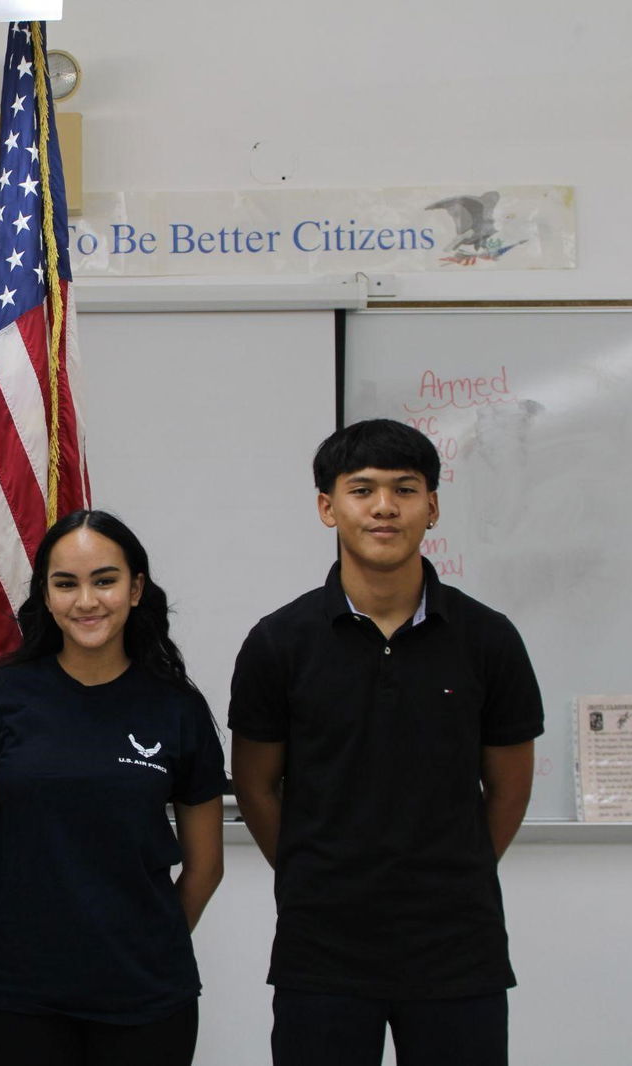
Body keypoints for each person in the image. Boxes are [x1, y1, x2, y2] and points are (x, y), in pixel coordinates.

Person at [229, 418, 543, 1066]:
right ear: (327, 506)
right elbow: (256, 785)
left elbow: (510, 785)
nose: (383, 507)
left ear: (432, 505)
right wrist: (312, 875)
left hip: (459, 947)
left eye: (405, 489)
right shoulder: (279, 643)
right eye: (362, 488)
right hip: (322, 950)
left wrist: (457, 873)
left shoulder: (488, 639)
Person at [0, 509, 226, 1066]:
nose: (86, 601)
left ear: (136, 588)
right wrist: (25, 931)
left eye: (105, 580)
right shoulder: (2, 699)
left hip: (147, 994)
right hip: (19, 995)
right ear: (46, 596)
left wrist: (149, 942)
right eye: (66, 583)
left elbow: (206, 865)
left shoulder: (177, 707)